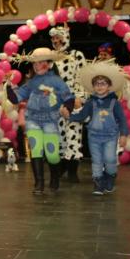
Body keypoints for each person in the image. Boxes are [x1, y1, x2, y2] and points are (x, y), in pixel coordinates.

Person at [6, 47, 74, 195]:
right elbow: (16, 98)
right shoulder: (31, 82)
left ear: (49, 64)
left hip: (50, 120)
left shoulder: (57, 81)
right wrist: (8, 87)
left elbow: (69, 98)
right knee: (36, 149)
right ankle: (39, 184)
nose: (36, 66)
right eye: (35, 63)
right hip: (33, 120)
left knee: (52, 153)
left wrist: (67, 108)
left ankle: (55, 178)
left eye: (40, 62)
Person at [61, 60, 129, 195]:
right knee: (97, 161)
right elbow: (81, 116)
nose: (99, 86)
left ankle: (110, 178)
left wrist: (123, 135)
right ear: (93, 87)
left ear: (109, 86)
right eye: (96, 84)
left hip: (110, 136)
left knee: (110, 159)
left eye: (103, 83)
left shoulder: (114, 103)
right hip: (94, 136)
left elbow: (122, 120)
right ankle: (98, 184)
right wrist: (68, 116)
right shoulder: (90, 102)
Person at [50, 24, 87, 182]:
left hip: (72, 100)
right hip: (55, 102)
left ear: (65, 38)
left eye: (58, 37)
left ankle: (72, 171)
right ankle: (61, 168)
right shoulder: (50, 58)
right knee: (59, 137)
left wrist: (79, 97)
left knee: (73, 135)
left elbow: (83, 77)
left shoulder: (77, 55)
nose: (55, 41)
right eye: (53, 38)